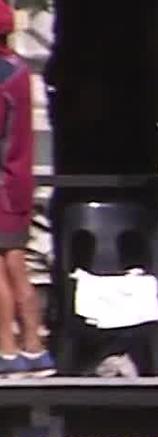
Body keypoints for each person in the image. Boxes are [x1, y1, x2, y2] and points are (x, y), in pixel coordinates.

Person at [0, 2, 52, 378]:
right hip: (17, 182)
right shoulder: (18, 70)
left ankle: (6, 349)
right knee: (17, 265)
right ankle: (35, 347)